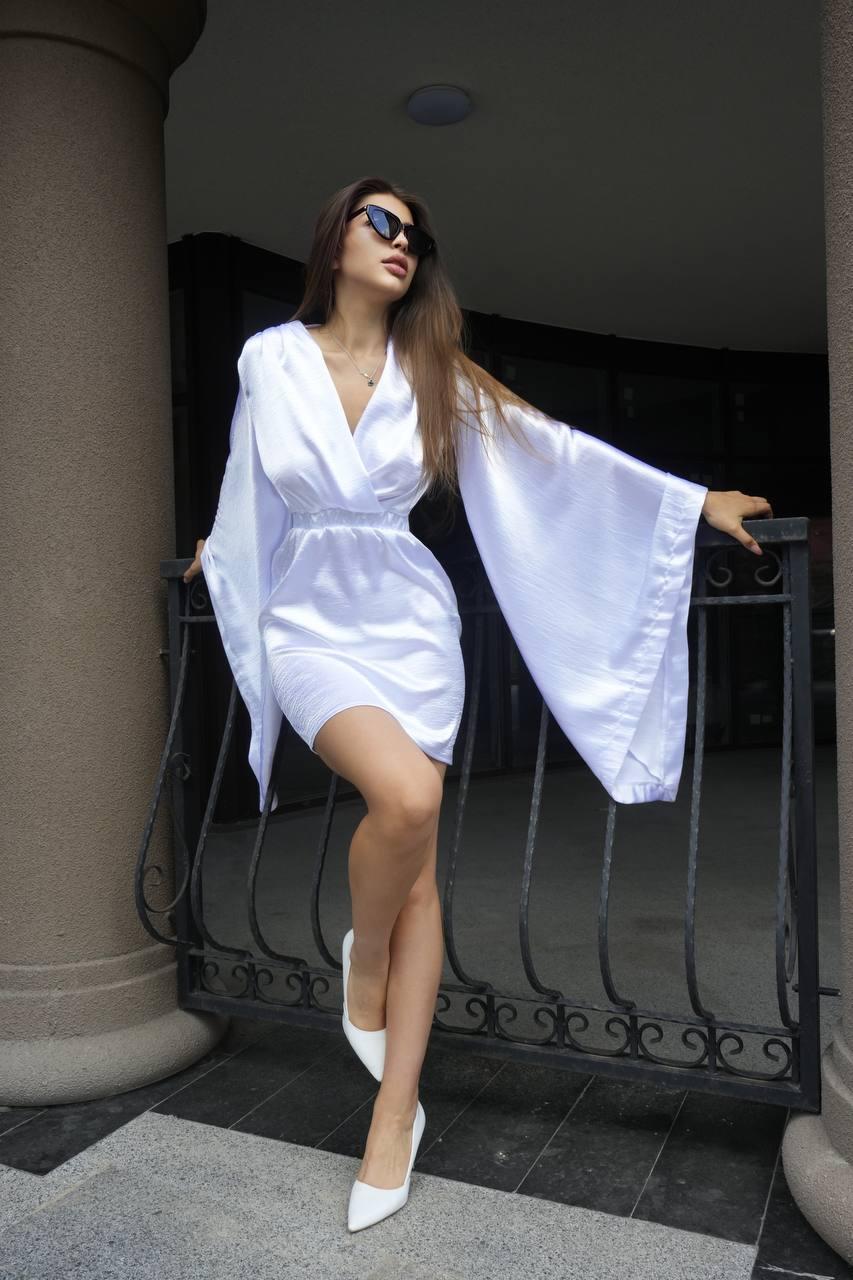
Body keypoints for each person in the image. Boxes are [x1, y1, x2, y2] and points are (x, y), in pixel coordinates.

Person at [182, 175, 773, 1232]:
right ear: (334, 238)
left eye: (415, 233)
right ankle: (363, 964)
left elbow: (554, 450)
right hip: (311, 626)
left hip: (413, 630)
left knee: (417, 877)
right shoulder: (269, 357)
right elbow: (246, 487)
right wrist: (219, 553)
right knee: (404, 801)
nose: (401, 241)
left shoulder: (433, 368)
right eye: (381, 222)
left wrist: (692, 501)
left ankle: (393, 1116)